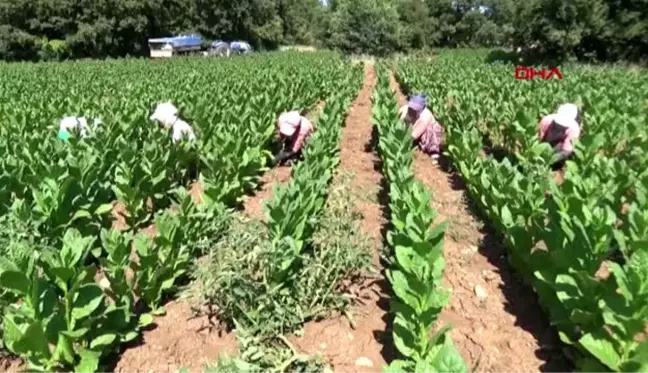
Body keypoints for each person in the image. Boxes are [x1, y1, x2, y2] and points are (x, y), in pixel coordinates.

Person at [399, 94, 443, 161]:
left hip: (423, 132)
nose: (412, 110)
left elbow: (413, 136)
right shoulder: (403, 110)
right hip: (411, 130)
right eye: (411, 108)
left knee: (433, 129)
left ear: (422, 109)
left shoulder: (425, 117)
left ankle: (434, 151)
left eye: (415, 109)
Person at [538, 103, 581, 167]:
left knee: (559, 149)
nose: (559, 126)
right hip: (545, 141)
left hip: (559, 146)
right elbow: (538, 138)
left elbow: (566, 151)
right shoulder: (546, 120)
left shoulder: (574, 129)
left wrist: (549, 160)